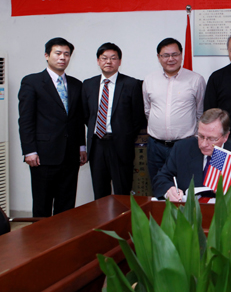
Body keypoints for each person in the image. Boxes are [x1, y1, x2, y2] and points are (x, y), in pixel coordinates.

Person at [18, 37, 86, 217]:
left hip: (70, 155)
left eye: (67, 54)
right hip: (43, 155)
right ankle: (41, 237)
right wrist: (29, 150)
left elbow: (77, 119)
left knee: (67, 204)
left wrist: (81, 146)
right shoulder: (32, 82)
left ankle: (63, 235)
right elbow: (25, 120)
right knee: (42, 205)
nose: (62, 57)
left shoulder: (76, 84)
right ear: (47, 55)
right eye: (58, 53)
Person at [82, 43, 146, 200]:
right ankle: (101, 217)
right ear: (98, 61)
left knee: (122, 191)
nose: (108, 62)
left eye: (113, 58)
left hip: (121, 145)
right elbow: (86, 114)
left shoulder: (132, 84)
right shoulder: (88, 84)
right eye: (104, 58)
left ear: (120, 61)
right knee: (99, 192)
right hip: (96, 144)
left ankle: (122, 217)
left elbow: (138, 117)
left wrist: (126, 135)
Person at [153, 109, 231, 201]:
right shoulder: (181, 149)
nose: (203, 144)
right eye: (200, 136)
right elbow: (160, 179)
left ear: (226, 137)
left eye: (211, 139)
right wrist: (168, 190)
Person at [143, 37, 206, 187]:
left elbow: (200, 113)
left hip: (185, 145)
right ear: (159, 57)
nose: (171, 59)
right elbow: (147, 109)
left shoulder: (196, 80)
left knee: (186, 188)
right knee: (159, 187)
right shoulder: (149, 80)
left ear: (181, 55)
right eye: (166, 55)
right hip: (156, 146)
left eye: (175, 54)